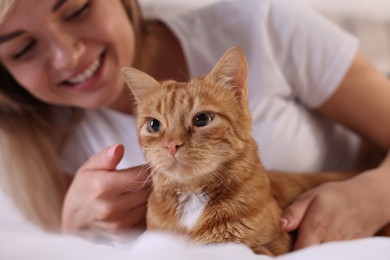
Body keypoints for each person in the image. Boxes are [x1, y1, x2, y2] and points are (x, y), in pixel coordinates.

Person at [0, 0, 389, 251]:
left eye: (76, 9)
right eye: (22, 48)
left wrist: (373, 194)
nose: (69, 56)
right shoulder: (40, 140)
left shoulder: (265, 24)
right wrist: (73, 232)